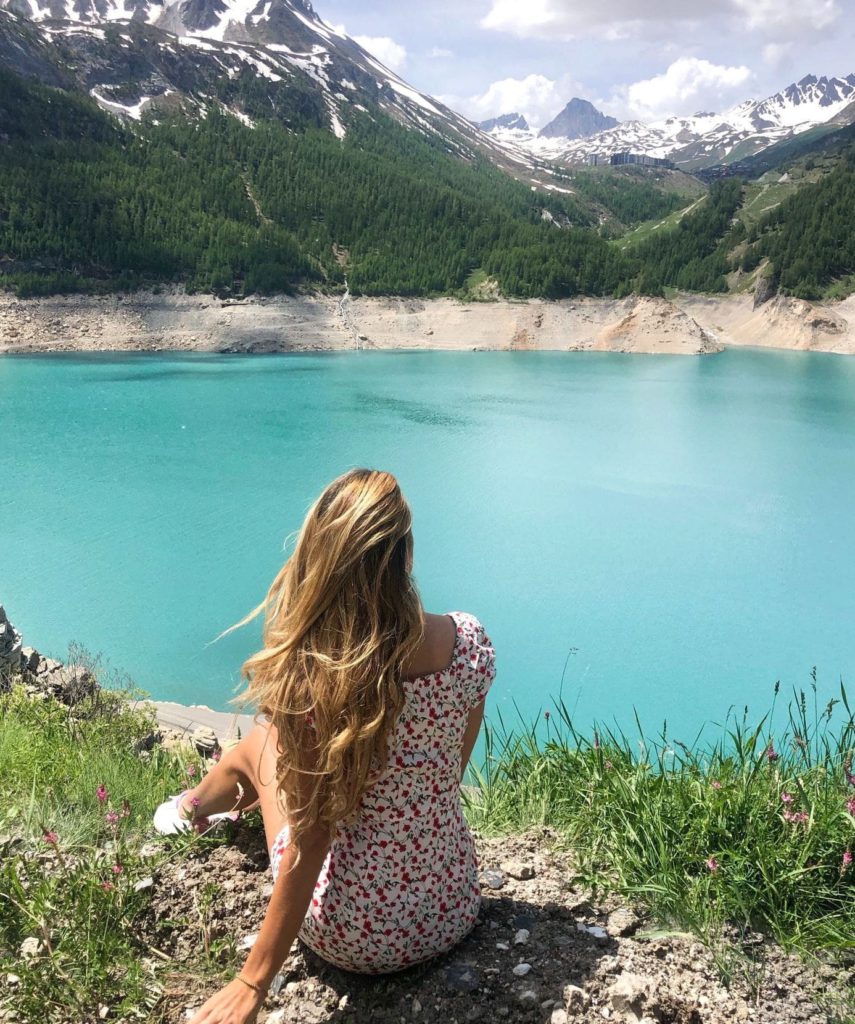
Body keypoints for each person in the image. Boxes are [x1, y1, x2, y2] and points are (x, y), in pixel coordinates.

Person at [153, 468, 496, 1024]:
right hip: (449, 907)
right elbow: (447, 776)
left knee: (258, 744)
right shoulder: (468, 645)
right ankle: (198, 807)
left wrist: (252, 981)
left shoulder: (315, 682)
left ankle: (191, 808)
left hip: (351, 935)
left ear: (320, 562)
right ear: (406, 556)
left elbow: (311, 840)